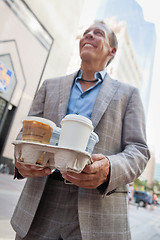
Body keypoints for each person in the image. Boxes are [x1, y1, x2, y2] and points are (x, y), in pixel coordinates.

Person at [11, 20, 150, 240]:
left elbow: (139, 151)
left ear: (112, 51)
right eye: (86, 33)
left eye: (98, 33)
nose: (89, 35)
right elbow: (25, 133)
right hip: (39, 206)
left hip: (97, 210)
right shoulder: (50, 85)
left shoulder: (128, 94)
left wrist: (108, 169)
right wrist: (20, 161)